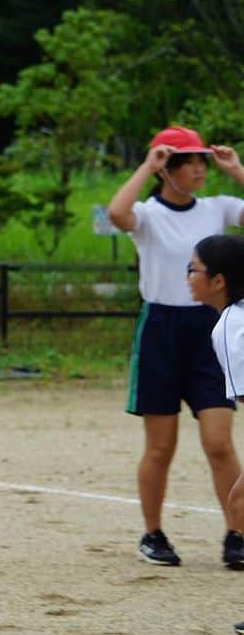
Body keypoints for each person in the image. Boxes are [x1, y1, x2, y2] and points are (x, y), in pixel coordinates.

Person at [107, 125, 244, 567]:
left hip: (208, 330)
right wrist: (147, 164)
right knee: (160, 446)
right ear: (167, 169)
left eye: (202, 161)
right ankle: (153, 534)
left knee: (219, 443)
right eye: (190, 162)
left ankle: (236, 534)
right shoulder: (148, 215)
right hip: (161, 330)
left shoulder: (216, 209)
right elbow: (116, 213)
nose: (200, 169)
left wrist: (237, 170)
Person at [186, 234, 244, 635]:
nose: (188, 276)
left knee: (240, 502)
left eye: (194, 269)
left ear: (219, 281)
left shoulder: (231, 328)